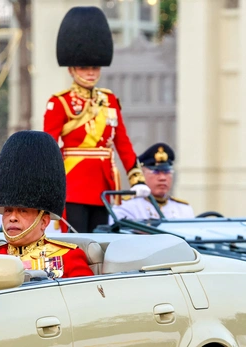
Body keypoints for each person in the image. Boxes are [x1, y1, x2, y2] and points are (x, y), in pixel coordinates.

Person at [43, 7, 150, 233]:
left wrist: (137, 178)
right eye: (84, 67)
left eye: (94, 67)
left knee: (100, 246)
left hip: (104, 184)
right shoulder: (60, 102)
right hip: (73, 185)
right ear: (72, 69)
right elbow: (48, 148)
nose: (91, 72)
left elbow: (123, 143)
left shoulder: (109, 100)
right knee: (76, 246)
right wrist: (48, 187)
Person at [0, 131, 94, 278]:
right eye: (8, 210)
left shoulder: (68, 258)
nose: (12, 218)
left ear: (44, 221)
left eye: (23, 211)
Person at [111, 143, 195, 221]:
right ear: (142, 175)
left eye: (166, 172)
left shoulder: (183, 209)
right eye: (156, 172)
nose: (162, 178)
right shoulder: (126, 207)